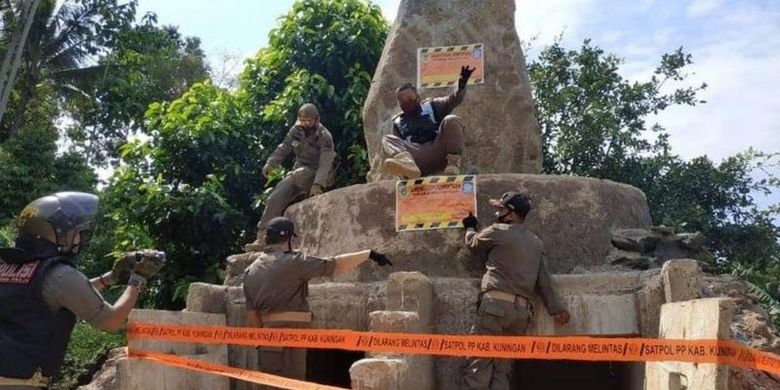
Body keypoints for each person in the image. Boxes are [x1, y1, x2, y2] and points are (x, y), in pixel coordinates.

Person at [0, 192, 164, 389]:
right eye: (77, 233)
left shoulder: (9, 267)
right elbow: (111, 321)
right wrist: (138, 279)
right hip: (20, 384)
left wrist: (110, 278)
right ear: (58, 233)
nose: (80, 239)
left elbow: (54, 296)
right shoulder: (60, 274)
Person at [242, 216, 392, 385]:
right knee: (292, 385)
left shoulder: (250, 271)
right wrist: (369, 254)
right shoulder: (294, 262)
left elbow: (252, 313)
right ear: (289, 239)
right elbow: (335, 265)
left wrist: (264, 337)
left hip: (266, 341)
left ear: (266, 239)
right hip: (292, 338)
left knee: (269, 385)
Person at [461, 191, 571, 390]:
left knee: (478, 366)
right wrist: (557, 309)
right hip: (521, 315)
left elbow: (473, 243)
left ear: (510, 214)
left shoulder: (497, 230)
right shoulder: (536, 242)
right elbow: (544, 280)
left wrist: (469, 227)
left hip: (494, 309)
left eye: (501, 209)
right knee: (502, 371)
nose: (497, 213)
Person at [247, 103, 336, 252]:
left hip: (317, 175)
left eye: (309, 121)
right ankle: (263, 237)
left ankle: (314, 191)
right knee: (276, 196)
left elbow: (326, 162)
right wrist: (271, 163)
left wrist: (318, 184)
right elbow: (284, 147)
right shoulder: (296, 131)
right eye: (303, 120)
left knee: (300, 174)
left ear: (317, 119)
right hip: (298, 172)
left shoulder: (324, 136)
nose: (306, 124)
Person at [381, 65, 476, 179]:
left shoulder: (433, 106)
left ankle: (453, 164)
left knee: (451, 120)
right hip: (417, 159)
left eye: (410, 98)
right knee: (387, 139)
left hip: (439, 152)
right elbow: (399, 146)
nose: (407, 102)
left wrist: (461, 87)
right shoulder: (397, 123)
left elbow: (453, 100)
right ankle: (407, 167)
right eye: (403, 101)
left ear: (418, 97)